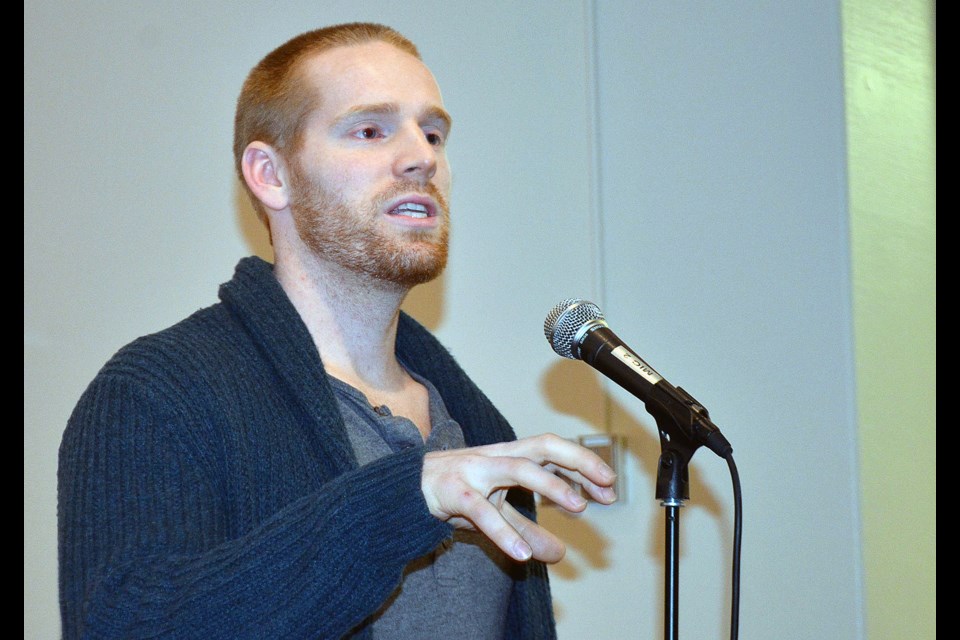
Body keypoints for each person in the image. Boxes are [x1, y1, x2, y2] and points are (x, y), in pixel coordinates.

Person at [57, 22, 617, 640]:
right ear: (271, 175)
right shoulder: (158, 391)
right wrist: (406, 499)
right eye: (370, 131)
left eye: (433, 133)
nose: (422, 157)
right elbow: (127, 626)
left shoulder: (473, 422)